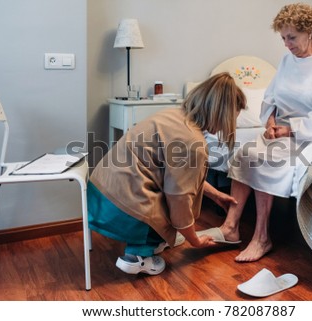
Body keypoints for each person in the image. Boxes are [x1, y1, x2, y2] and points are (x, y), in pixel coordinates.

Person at [215, 3, 312, 262]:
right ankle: (230, 227)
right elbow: (271, 96)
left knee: (265, 158)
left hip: (309, 131)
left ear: (309, 32)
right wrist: (270, 121)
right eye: (283, 38)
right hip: (280, 129)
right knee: (244, 153)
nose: (287, 44)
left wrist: (290, 129)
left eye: (292, 37)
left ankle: (262, 238)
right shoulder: (287, 59)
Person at [87, 72, 246, 275]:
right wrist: (194, 240)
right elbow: (179, 197)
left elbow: (179, 176)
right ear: (221, 113)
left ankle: (151, 241)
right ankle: (137, 257)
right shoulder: (192, 143)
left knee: (162, 192)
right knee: (166, 204)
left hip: (98, 196)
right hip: (121, 208)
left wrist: (216, 195)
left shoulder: (173, 116)